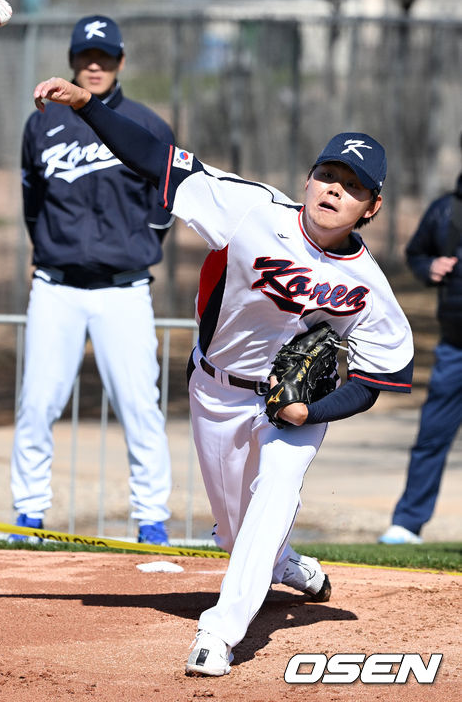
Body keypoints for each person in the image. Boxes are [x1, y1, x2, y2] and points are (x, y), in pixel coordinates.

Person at [31, 75, 414, 676]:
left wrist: (309, 413)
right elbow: (161, 161)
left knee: (277, 490)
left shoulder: (369, 288)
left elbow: (382, 375)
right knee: (238, 537)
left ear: (372, 207)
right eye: (329, 176)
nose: (336, 191)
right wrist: (88, 108)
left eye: (354, 187)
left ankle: (221, 633)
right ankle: (282, 562)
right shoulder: (250, 210)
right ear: (308, 180)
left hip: (287, 409)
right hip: (214, 390)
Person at [10, 16, 175, 547]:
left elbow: (165, 205)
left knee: (139, 406)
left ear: (121, 62)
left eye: (104, 57)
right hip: (56, 287)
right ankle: (28, 517)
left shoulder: (146, 124)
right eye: (86, 56)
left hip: (123, 291)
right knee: (37, 403)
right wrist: (52, 250)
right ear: (73, 61)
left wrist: (133, 247)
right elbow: (32, 203)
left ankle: (152, 520)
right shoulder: (42, 125)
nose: (94, 65)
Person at [379, 147, 462, 545]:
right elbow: (416, 253)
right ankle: (407, 524)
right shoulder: (446, 210)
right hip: (454, 348)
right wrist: (429, 268)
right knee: (431, 436)